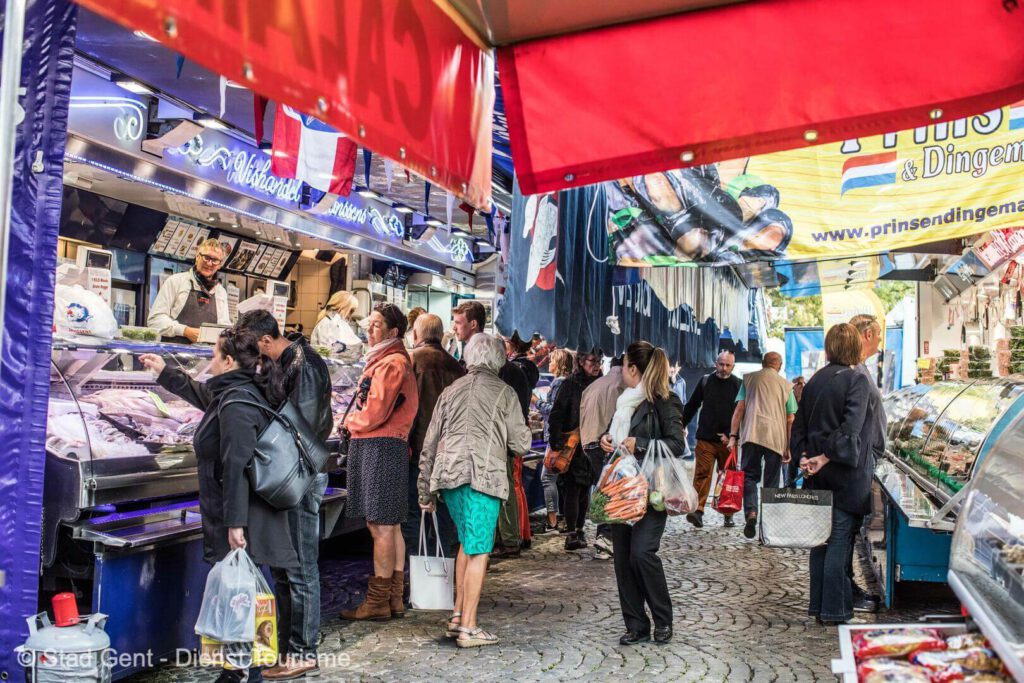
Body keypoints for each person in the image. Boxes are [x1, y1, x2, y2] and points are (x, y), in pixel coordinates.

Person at [139, 330, 295, 683]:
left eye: (213, 355)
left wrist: (235, 524)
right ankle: (240, 666)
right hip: (235, 509)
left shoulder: (238, 401)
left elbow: (236, 464)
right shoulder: (235, 390)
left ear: (228, 361)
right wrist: (166, 371)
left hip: (240, 514)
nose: (209, 361)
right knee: (242, 591)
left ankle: (245, 669)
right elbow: (203, 393)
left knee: (243, 593)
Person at [234, 310, 331, 681]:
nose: (256, 361)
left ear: (264, 342)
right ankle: (289, 649)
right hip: (292, 477)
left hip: (299, 478)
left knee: (301, 566)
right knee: (287, 568)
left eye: (254, 352)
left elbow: (299, 427)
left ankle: (303, 651)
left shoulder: (303, 365)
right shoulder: (294, 360)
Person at [418, 334, 533, 648]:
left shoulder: (451, 390)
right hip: (483, 477)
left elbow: (430, 441)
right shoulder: (505, 392)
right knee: (479, 550)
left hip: (449, 477)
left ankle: (457, 616)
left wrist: (425, 490)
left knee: (466, 545)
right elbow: (521, 443)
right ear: (499, 360)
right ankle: (469, 627)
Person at [599, 342, 685, 646]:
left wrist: (642, 443)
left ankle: (663, 619)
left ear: (634, 369)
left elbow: (678, 445)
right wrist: (606, 439)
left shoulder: (664, 401)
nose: (620, 370)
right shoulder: (625, 402)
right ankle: (636, 624)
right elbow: (616, 436)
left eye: (623, 365)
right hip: (621, 489)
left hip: (651, 491)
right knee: (622, 558)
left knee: (642, 554)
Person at [790, 323, 875, 626]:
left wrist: (804, 457)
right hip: (842, 477)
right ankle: (834, 611)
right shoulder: (856, 381)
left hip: (815, 474)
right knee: (838, 542)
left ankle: (818, 606)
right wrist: (825, 458)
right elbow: (850, 430)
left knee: (819, 542)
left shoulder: (814, 381)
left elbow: (799, 426)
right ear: (854, 347)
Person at [341, 303, 419, 622]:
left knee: (381, 526)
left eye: (375, 325)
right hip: (387, 446)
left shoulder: (391, 363)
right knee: (391, 525)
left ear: (393, 331)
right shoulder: (390, 359)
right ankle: (393, 598)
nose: (369, 329)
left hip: (380, 445)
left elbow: (375, 412)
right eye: (368, 324)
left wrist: (348, 423)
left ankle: (377, 603)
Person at [452, 301, 530, 558]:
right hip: (493, 448)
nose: (454, 328)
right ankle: (498, 540)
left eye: (459, 322)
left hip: (486, 450)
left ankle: (503, 540)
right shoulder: (506, 379)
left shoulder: (462, 386)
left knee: (497, 496)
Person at [403, 313, 465, 563]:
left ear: (416, 335)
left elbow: (408, 409)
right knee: (445, 511)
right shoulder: (456, 366)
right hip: (450, 450)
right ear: (440, 336)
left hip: (419, 449)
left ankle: (419, 568)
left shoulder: (413, 361)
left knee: (414, 511)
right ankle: (444, 565)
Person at [728, 351, 797, 540]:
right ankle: (767, 526)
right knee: (772, 482)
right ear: (780, 366)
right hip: (775, 438)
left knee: (749, 476)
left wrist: (733, 436)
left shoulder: (749, 380)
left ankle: (751, 513)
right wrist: (788, 446)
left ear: (762, 363)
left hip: (752, 434)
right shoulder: (786, 386)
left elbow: (739, 409)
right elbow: (790, 418)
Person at [848, 313, 887, 613]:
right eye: (879, 334)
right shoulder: (855, 372)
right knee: (845, 530)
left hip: (864, 458)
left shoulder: (860, 369)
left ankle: (846, 589)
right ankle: (846, 591)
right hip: (859, 461)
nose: (881, 341)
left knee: (849, 528)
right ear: (868, 334)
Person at [548, 348, 602, 551]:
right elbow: (557, 413)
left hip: (593, 444)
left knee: (585, 488)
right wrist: (556, 444)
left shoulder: (600, 383)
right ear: (580, 361)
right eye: (592, 360)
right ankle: (572, 531)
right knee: (573, 488)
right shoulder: (570, 384)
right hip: (573, 445)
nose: (596, 364)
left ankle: (579, 529)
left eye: (598, 360)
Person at [681, 350, 741, 528]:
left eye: (727, 365)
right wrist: (681, 424)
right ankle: (697, 510)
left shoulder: (738, 385)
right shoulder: (706, 381)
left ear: (733, 366)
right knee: (702, 474)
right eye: (721, 364)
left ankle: (728, 512)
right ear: (716, 363)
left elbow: (742, 413)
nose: (723, 368)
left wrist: (732, 435)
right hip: (706, 438)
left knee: (728, 477)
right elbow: (692, 405)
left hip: (728, 442)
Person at [580, 355, 627, 559]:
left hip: (589, 443)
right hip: (609, 444)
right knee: (611, 491)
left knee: (602, 488)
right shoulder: (624, 386)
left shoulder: (594, 385)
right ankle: (606, 537)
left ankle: (605, 537)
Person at [148, 238, 230, 344]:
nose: (209, 263)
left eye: (215, 260)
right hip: (171, 356)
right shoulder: (175, 281)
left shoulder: (221, 292)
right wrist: (185, 331)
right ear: (197, 257)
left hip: (205, 358)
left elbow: (224, 330)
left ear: (220, 265)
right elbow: (155, 320)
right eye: (206, 257)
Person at [505, 331, 541, 549]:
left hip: (514, 428)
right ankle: (523, 530)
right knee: (516, 481)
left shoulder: (517, 368)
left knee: (514, 482)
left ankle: (518, 532)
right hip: (521, 425)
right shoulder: (528, 368)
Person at [536, 348, 574, 533]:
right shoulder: (566, 382)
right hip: (562, 437)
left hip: (556, 439)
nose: (548, 363)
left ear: (558, 364)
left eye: (551, 360)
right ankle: (559, 518)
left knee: (547, 477)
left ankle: (552, 521)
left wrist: (536, 402)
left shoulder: (559, 383)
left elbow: (553, 410)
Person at [309, 290, 363, 360]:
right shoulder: (327, 324)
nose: (350, 315)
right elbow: (328, 353)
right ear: (342, 307)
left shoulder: (337, 323)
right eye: (351, 311)